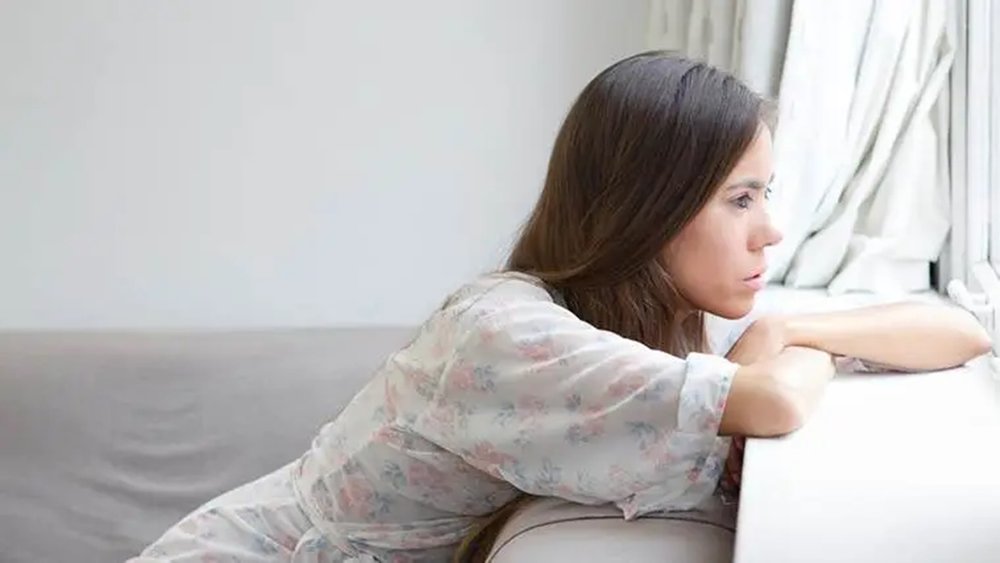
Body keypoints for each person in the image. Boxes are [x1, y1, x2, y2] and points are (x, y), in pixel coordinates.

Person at [132, 52, 991, 563]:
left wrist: (787, 326)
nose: (772, 229)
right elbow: (771, 403)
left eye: (766, 193)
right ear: (648, 207)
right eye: (740, 199)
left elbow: (960, 331)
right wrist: (775, 344)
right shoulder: (503, 331)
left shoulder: (670, 315)